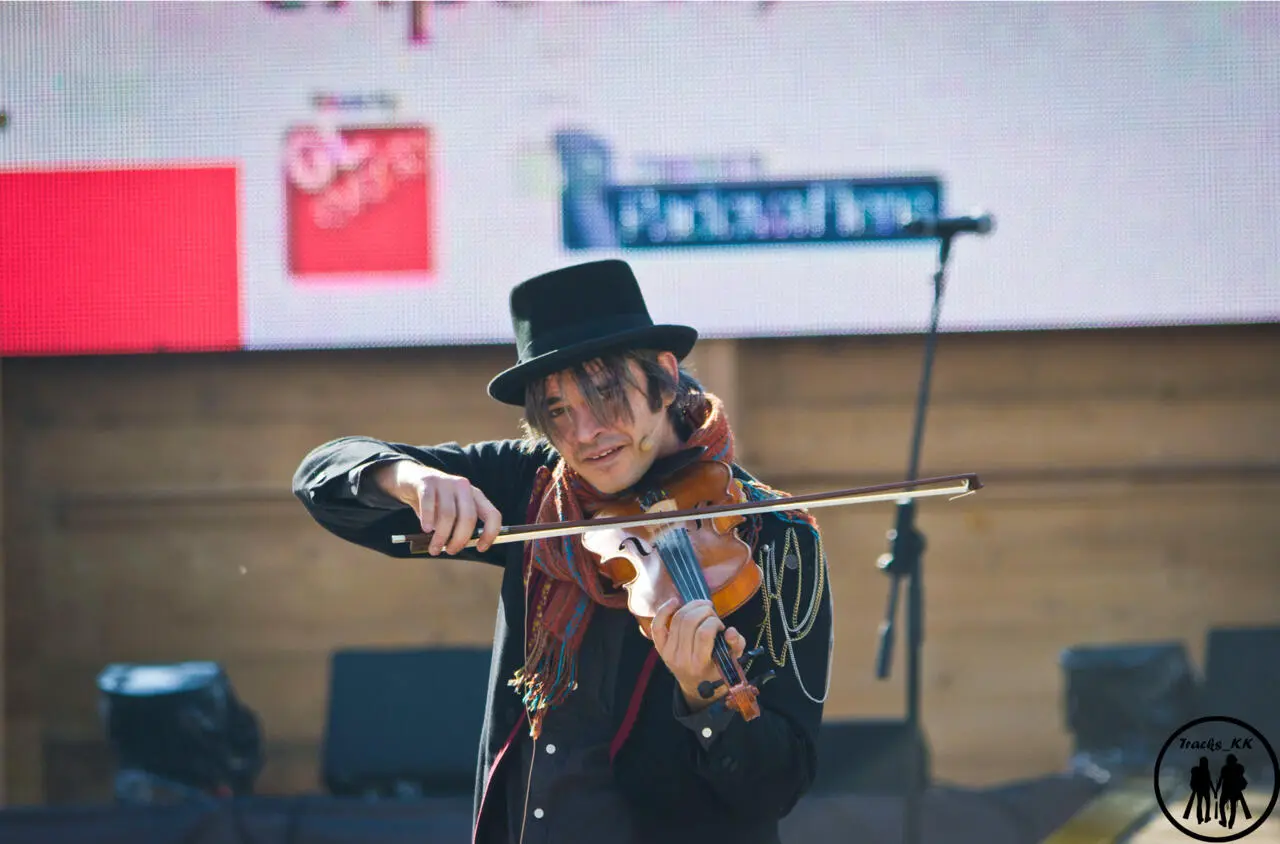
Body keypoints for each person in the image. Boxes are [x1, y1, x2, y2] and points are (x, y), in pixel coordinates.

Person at [292, 259, 834, 844]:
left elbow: (778, 786)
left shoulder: (774, 538)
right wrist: (410, 479)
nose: (584, 434)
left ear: (666, 378)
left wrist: (706, 695)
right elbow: (321, 478)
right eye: (556, 411)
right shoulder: (536, 488)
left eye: (606, 394)